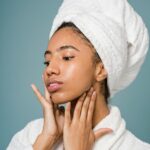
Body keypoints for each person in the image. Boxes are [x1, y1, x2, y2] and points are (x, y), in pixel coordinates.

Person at [7, 0, 150, 149]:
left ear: (101, 70)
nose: (50, 69)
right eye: (47, 62)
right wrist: (46, 141)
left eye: (67, 57)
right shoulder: (30, 136)